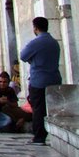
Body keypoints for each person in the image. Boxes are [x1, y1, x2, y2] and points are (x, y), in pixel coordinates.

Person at [19, 16, 62, 145]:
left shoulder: (36, 42)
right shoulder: (54, 42)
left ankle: (39, 137)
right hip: (54, 79)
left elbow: (23, 56)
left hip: (38, 81)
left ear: (35, 28)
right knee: (52, 108)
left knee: (38, 109)